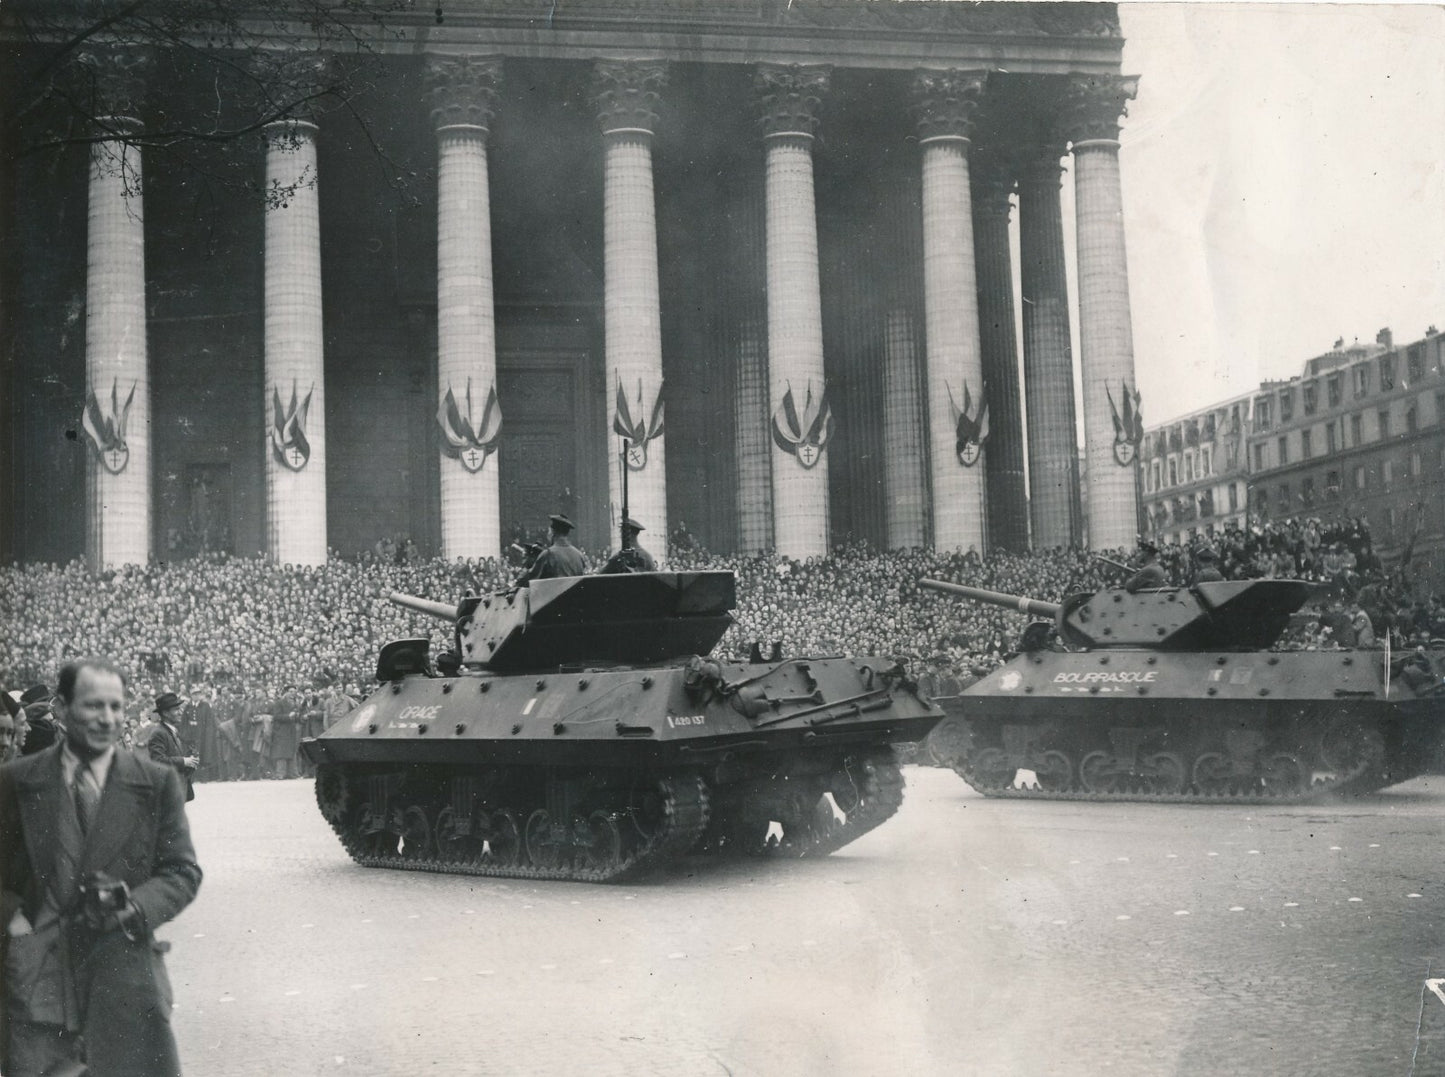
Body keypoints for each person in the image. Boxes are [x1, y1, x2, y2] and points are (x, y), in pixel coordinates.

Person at [0, 657, 202, 1077]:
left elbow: (182, 872)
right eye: (93, 705)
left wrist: (135, 906)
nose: (107, 718)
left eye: (116, 706)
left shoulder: (155, 783)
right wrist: (14, 919)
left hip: (124, 970)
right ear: (61, 708)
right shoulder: (17, 781)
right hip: (39, 979)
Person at [146, 692, 199, 802]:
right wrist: (184, 761)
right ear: (165, 713)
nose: (180, 712)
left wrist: (190, 763)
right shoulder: (158, 733)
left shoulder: (172, 730)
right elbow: (158, 761)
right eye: (176, 709)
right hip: (167, 792)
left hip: (176, 789)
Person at [517, 513, 589, 584]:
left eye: (549, 531)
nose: (548, 534)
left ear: (553, 532)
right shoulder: (579, 555)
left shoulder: (548, 554)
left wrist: (527, 563)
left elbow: (524, 581)